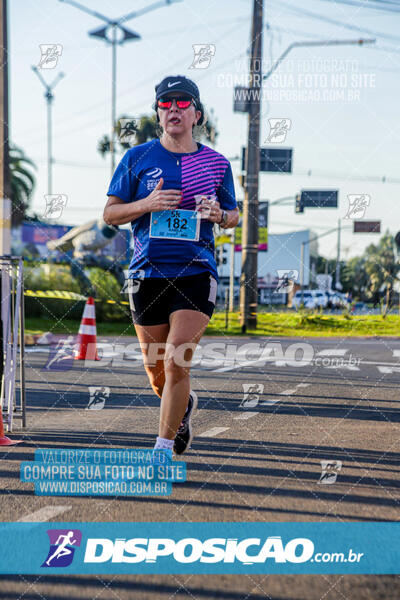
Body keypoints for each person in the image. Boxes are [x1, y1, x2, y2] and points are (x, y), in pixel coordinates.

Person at [103, 75, 238, 456]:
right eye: (166, 103)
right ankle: (183, 405)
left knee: (178, 357)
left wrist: (219, 214)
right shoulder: (138, 159)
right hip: (147, 273)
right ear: (158, 114)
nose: (174, 109)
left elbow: (234, 214)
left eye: (182, 103)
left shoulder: (215, 163)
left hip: (196, 272)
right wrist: (147, 204)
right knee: (158, 375)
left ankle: (162, 450)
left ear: (197, 114)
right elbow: (110, 213)